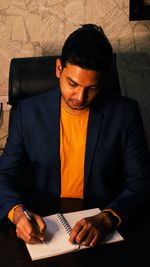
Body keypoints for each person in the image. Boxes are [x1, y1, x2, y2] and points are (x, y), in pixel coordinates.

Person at [0, 24, 150, 247]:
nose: (80, 97)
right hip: (45, 229)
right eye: (72, 83)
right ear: (59, 68)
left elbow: (142, 182)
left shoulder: (124, 114)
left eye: (93, 88)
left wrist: (108, 217)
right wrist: (18, 214)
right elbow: (4, 175)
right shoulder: (27, 113)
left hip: (102, 229)